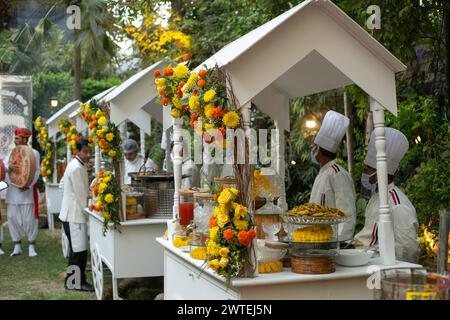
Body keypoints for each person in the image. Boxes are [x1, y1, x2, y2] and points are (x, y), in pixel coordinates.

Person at [354, 128, 419, 263]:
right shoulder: (376, 197)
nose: (364, 174)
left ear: (379, 171)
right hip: (366, 262)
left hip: (384, 270)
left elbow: (408, 249)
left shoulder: (398, 204)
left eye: (367, 170)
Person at [309, 111, 356, 241]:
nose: (312, 150)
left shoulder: (338, 174)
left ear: (318, 150)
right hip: (317, 239)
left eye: (314, 147)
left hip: (332, 243)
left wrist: (338, 242)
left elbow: (347, 215)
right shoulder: (322, 173)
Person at [59, 138, 94, 291]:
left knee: (77, 250)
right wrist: (90, 212)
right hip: (74, 216)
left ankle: (73, 281)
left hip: (70, 214)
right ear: (77, 152)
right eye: (85, 152)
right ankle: (75, 283)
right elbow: (82, 196)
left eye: (89, 151)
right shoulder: (77, 168)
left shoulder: (75, 164)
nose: (88, 155)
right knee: (79, 251)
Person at [4, 128, 40, 257]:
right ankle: (17, 246)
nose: (15, 140)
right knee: (12, 218)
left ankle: (31, 247)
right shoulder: (11, 153)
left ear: (25, 139)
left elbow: (36, 172)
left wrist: (28, 185)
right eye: (15, 138)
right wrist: (9, 167)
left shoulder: (34, 153)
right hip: (12, 192)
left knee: (29, 219)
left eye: (17, 138)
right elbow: (3, 166)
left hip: (26, 192)